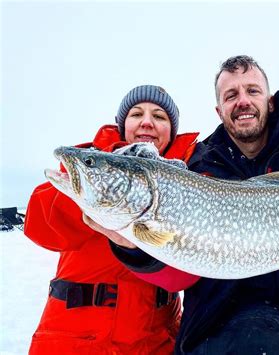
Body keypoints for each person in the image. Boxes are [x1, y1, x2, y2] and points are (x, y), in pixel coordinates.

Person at [109, 56, 279, 354]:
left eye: (252, 91)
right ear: (219, 109)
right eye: (231, 95)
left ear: (270, 101)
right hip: (224, 326)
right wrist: (133, 248)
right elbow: (181, 273)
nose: (242, 101)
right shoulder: (196, 169)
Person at [23, 85, 200, 354]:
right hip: (74, 340)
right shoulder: (92, 165)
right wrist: (108, 185)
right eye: (136, 114)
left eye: (160, 117)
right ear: (122, 124)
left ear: (172, 131)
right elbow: (39, 225)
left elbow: (190, 269)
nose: (147, 122)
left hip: (154, 342)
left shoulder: (190, 177)